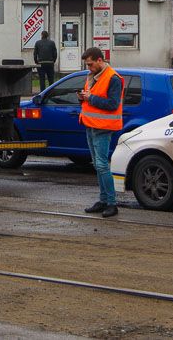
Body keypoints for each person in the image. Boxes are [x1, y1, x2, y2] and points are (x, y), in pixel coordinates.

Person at [77, 46, 124, 218]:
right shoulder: (93, 76)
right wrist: (82, 97)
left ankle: (111, 203)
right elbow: (92, 97)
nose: (88, 67)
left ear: (99, 60)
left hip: (103, 127)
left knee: (102, 165)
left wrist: (90, 98)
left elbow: (112, 104)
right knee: (98, 165)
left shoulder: (113, 78)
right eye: (87, 65)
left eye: (90, 64)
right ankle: (104, 200)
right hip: (91, 125)